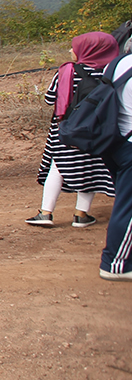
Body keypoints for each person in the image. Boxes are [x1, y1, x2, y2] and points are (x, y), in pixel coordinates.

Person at [27, 32, 120, 227]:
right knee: (90, 169)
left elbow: (49, 99)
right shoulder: (112, 72)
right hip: (98, 130)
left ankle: (45, 213)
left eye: (74, 47)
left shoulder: (67, 71)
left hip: (66, 129)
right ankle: (81, 215)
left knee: (57, 167)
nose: (71, 50)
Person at [98, 51, 132, 282]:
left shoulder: (119, 63)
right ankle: (116, 263)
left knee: (125, 200)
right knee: (127, 207)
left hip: (115, 139)